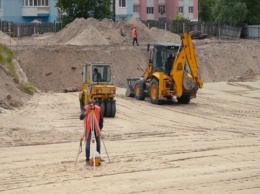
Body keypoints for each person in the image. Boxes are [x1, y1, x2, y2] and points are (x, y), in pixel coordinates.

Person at [80, 99, 104, 164]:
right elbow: (81, 117)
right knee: (87, 144)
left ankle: (98, 156)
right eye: (90, 104)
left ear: (94, 104)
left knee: (98, 143)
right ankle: (87, 158)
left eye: (92, 105)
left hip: (96, 128)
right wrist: (86, 112)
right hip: (88, 128)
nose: (91, 106)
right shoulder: (85, 109)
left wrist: (100, 128)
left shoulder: (98, 109)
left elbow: (101, 120)